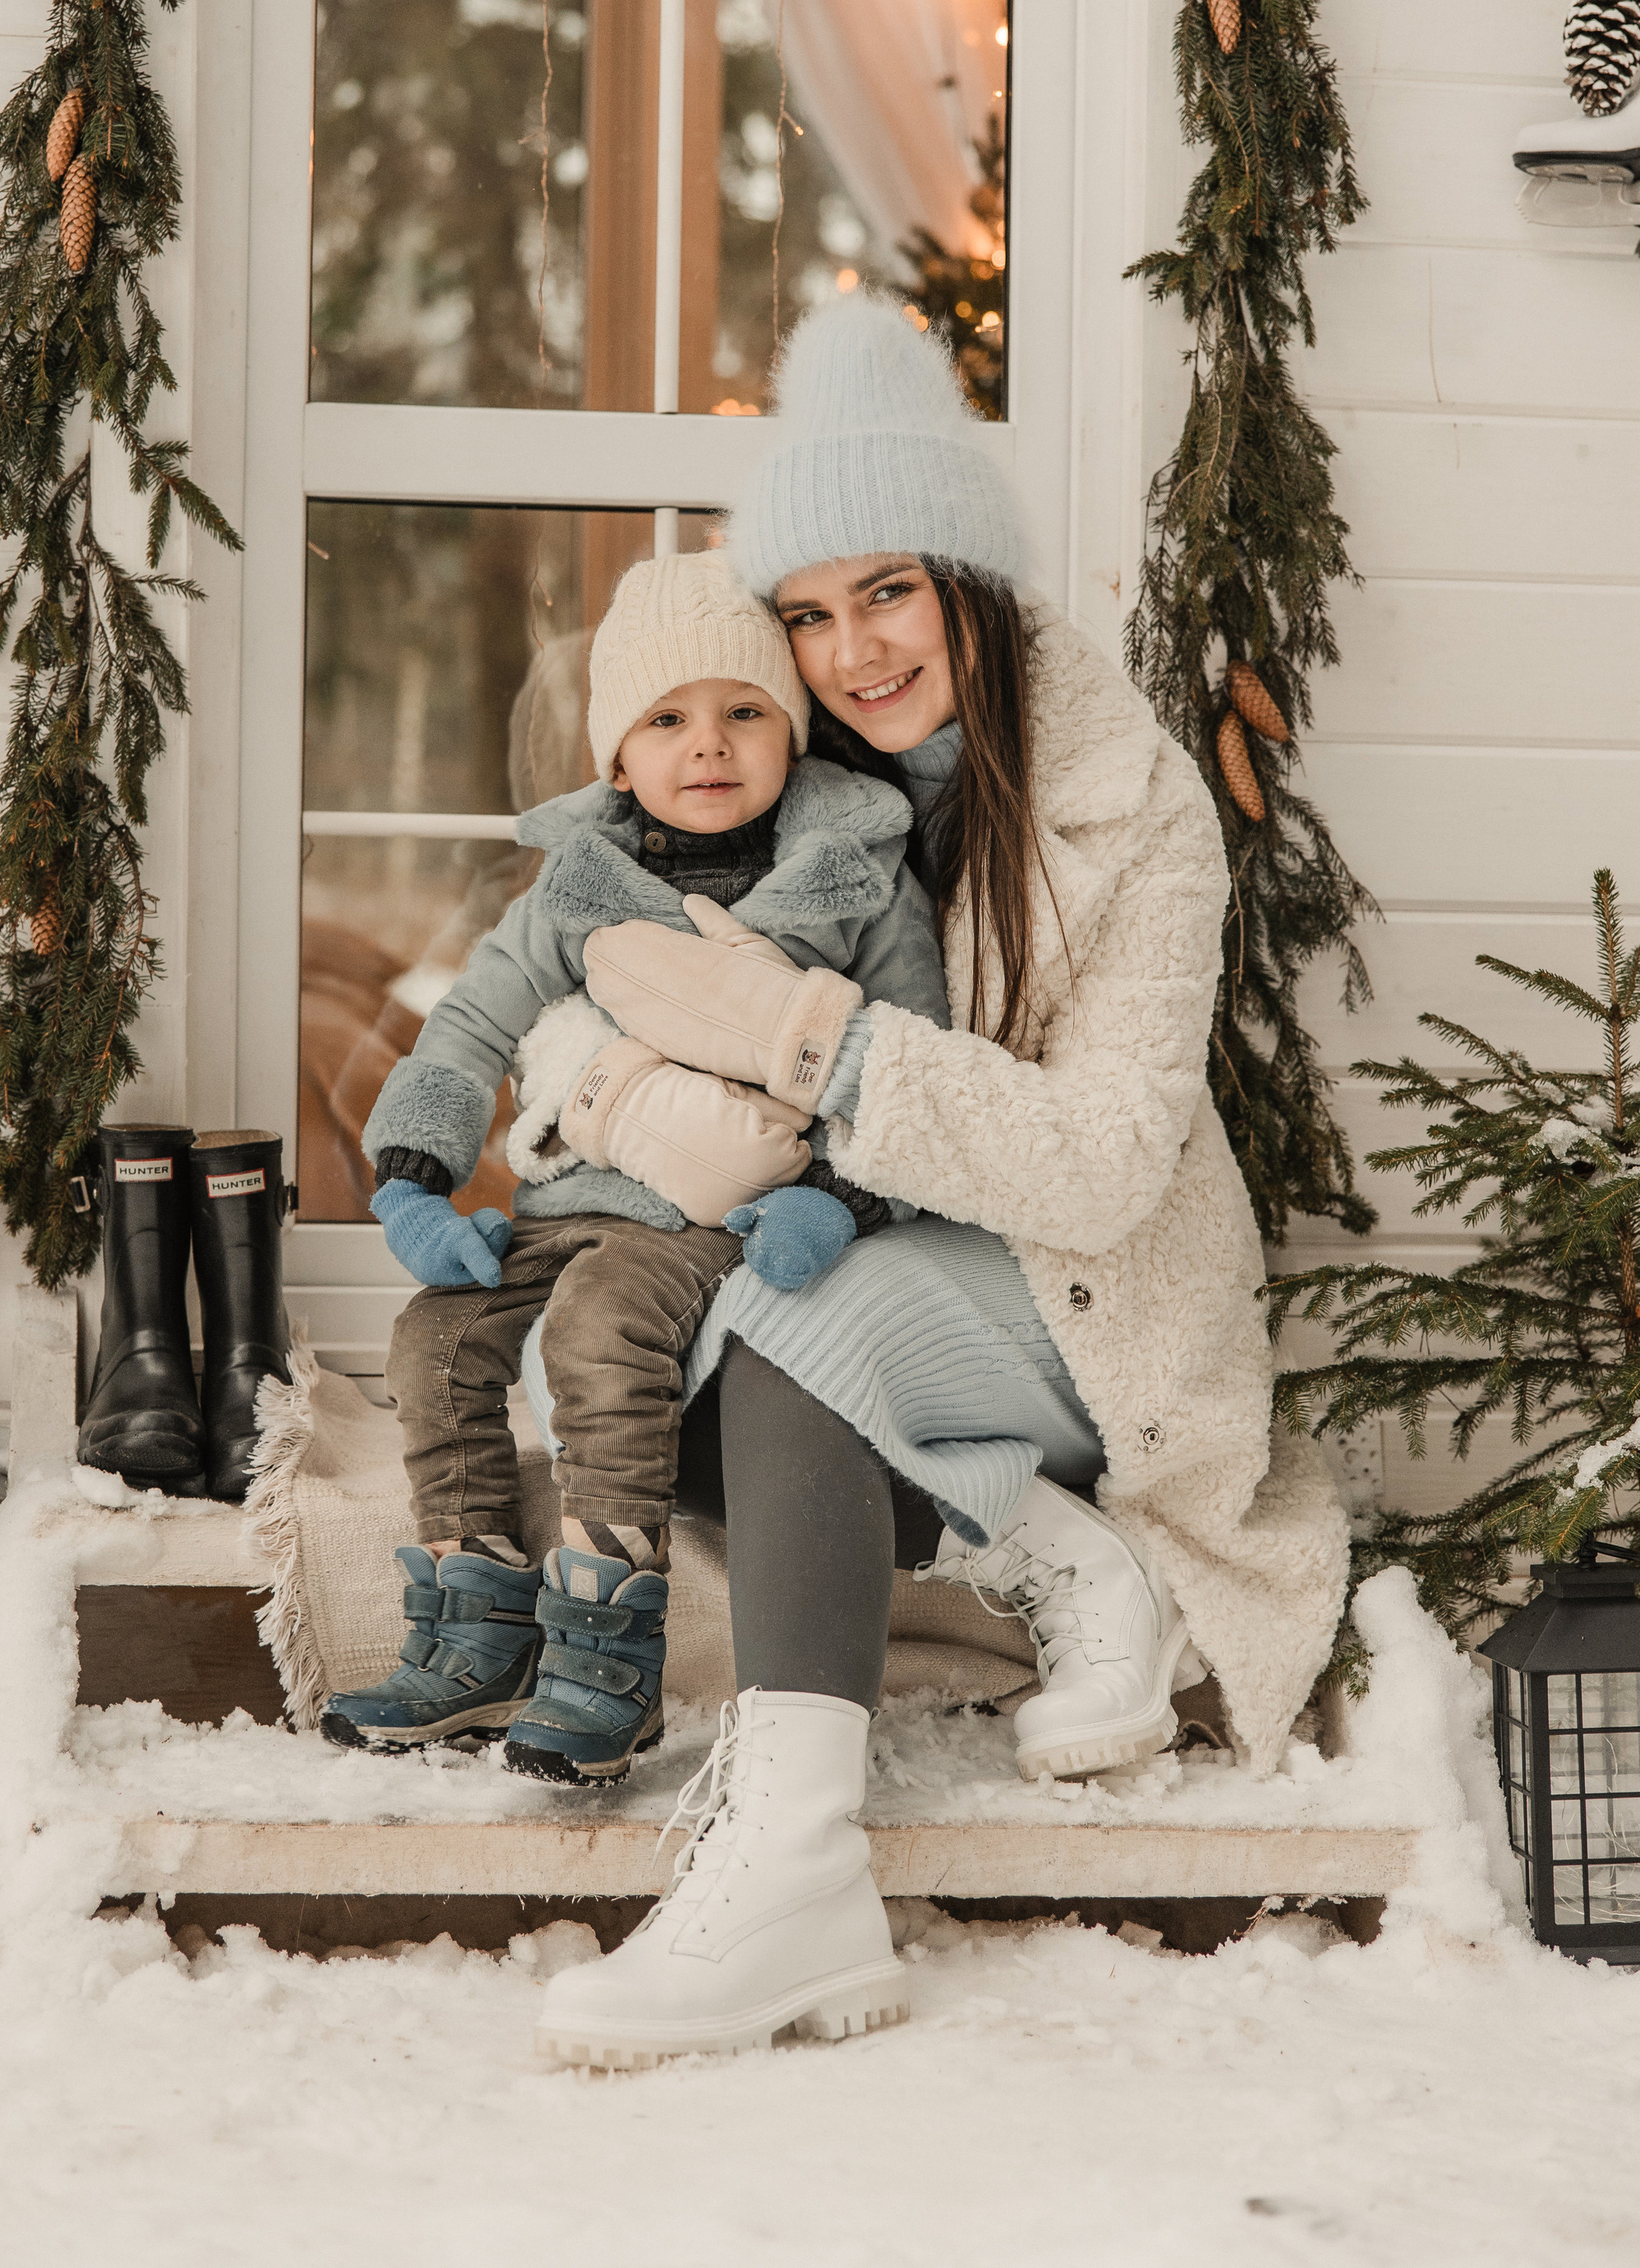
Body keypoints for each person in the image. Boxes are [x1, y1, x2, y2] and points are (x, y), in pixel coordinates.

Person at [531, 294, 1350, 2071]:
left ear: (965, 582)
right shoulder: (779, 779)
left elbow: (1107, 1167)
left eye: (888, 590)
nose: (852, 652)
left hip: (1087, 1301)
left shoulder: (1130, 806)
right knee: (604, 1369)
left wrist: (812, 1043)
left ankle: (789, 1870)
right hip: (868, 1260)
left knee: (787, 1327)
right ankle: (1042, 1543)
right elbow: (575, 965)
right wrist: (595, 1076)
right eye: (809, 613)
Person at [320, 548, 951, 1780]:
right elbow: (470, 1024)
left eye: (744, 712)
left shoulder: (856, 880)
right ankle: (474, 1631)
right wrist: (411, 1178)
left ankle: (607, 1661)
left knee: (602, 1326)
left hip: (719, 1211)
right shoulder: (579, 889)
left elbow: (913, 1066)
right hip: (574, 1191)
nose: (707, 744)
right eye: (667, 720)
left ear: (792, 731)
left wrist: (840, 1200)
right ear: (617, 758)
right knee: (433, 1339)